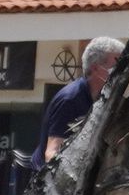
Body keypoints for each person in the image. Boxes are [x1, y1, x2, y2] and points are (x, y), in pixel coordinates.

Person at [38, 37, 124, 172]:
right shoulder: (70, 99)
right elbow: (52, 152)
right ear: (95, 68)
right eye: (116, 65)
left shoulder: (107, 97)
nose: (122, 71)